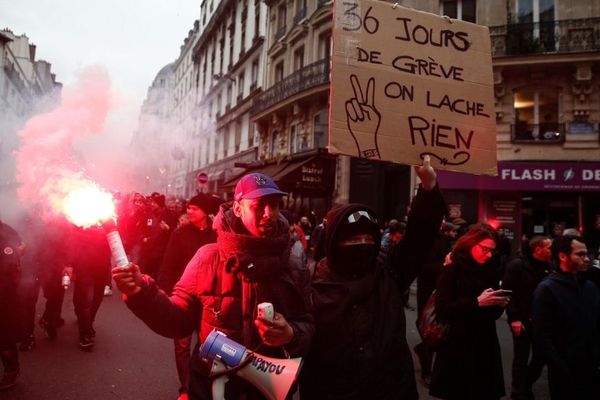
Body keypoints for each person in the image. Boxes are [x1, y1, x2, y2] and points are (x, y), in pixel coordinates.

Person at [112, 173, 314, 400]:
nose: (268, 214)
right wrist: (142, 292)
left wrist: (291, 334)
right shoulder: (208, 257)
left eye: (274, 205)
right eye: (259, 206)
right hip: (211, 389)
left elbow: (309, 323)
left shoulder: (294, 260)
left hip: (268, 391)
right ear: (238, 209)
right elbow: (177, 321)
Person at [300, 156, 444, 400]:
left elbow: (419, 238)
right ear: (335, 244)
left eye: (368, 240)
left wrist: (428, 189)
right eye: (352, 240)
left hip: (391, 391)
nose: (362, 246)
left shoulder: (388, 272)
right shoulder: (310, 282)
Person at [429, 223, 509, 400]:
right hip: (457, 345)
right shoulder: (452, 268)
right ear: (471, 243)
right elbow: (442, 309)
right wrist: (477, 302)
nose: (488, 255)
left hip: (485, 344)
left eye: (492, 251)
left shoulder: (490, 270)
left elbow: (493, 315)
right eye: (485, 249)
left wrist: (498, 304)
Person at [157, 193, 221, 400]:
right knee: (182, 346)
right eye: (189, 208)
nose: (189, 211)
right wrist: (166, 291)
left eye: (194, 208)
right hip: (184, 297)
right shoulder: (180, 234)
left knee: (208, 344)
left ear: (206, 212)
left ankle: (204, 387)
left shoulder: (217, 235)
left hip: (210, 299)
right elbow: (168, 265)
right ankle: (185, 388)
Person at [532, 235, 600, 399]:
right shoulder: (547, 289)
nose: (586, 259)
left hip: (591, 366)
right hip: (565, 369)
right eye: (580, 254)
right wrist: (559, 366)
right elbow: (542, 335)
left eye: (587, 254)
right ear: (563, 256)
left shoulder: (590, 287)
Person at [502, 236, 553, 400]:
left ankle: (526, 385)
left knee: (541, 357)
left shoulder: (550, 267)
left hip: (542, 321)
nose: (551, 251)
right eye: (549, 247)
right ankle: (517, 392)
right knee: (521, 359)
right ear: (537, 249)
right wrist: (514, 318)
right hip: (522, 320)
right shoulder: (518, 265)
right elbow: (507, 293)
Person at [413, 221, 458, 385]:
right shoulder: (421, 240)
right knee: (429, 328)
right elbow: (420, 267)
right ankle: (426, 370)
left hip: (443, 288)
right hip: (427, 289)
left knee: (441, 328)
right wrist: (444, 266)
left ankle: (430, 360)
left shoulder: (443, 238)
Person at [68, 225, 112, 351]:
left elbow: (118, 241)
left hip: (102, 266)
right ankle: (85, 334)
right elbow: (72, 243)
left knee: (97, 299)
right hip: (84, 266)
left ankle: (88, 323)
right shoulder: (79, 220)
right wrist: (70, 264)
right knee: (84, 300)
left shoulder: (108, 220)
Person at [0, 220, 25, 390]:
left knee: (4, 337)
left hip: (4, 296)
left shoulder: (5, 234)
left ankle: (11, 371)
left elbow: (10, 269)